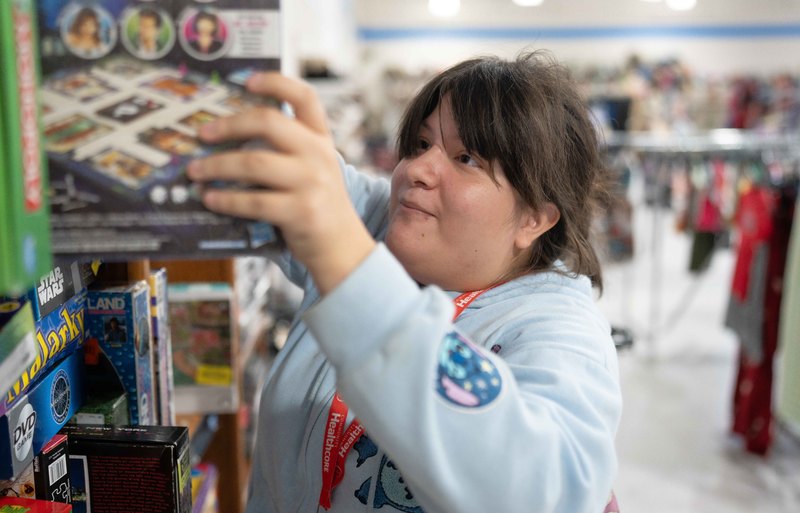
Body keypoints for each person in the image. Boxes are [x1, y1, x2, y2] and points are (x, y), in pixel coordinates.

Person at [187, 50, 622, 513]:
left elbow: (550, 491)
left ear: (534, 218)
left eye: (466, 158)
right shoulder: (383, 224)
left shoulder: (560, 331)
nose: (417, 169)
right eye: (419, 144)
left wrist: (350, 268)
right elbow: (265, 163)